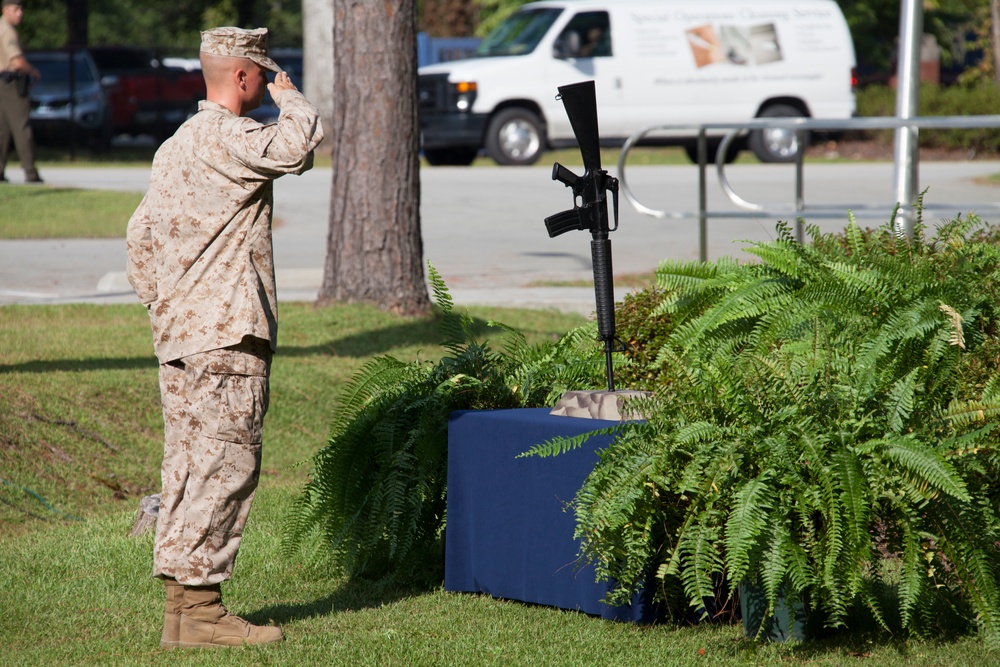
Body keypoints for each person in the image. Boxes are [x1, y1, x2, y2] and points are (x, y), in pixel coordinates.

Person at [125, 26, 324, 649]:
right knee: (226, 469)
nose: (266, 83)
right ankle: (205, 613)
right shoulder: (230, 138)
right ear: (240, 77)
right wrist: (294, 97)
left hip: (181, 337)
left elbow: (140, 237)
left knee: (187, 467)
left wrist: (163, 301)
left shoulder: (174, 146)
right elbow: (298, 146)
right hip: (227, 333)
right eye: (261, 74)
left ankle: (183, 615)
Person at [0, 0, 41, 183]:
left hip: (2, 82)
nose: (20, 13)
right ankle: (30, 172)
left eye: (21, 9)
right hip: (10, 84)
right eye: (16, 9)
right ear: (5, 10)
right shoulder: (7, 30)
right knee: (22, 128)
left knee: (2, 130)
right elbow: (16, 61)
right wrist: (33, 72)